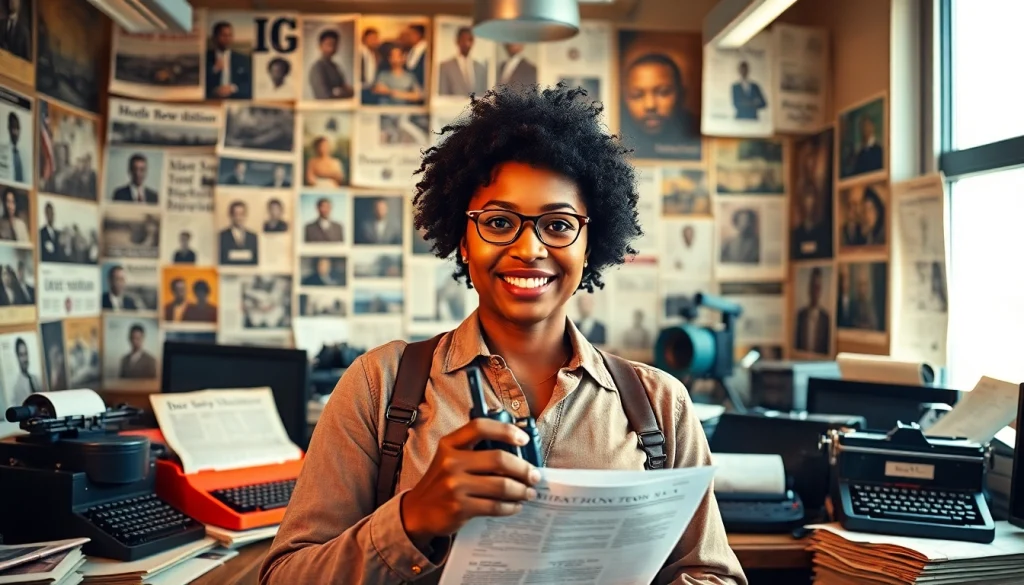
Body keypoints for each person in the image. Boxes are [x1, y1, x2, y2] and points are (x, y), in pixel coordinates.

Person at [259, 83, 745, 585]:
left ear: (589, 245)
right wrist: (412, 518)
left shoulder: (661, 405)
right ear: (463, 242)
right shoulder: (376, 386)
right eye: (498, 221)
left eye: (557, 225)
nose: (529, 248)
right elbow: (283, 576)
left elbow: (713, 576)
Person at [619, 53, 700, 160]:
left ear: (682, 94)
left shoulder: (698, 131)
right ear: (625, 99)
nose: (650, 105)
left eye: (663, 92)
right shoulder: (614, 138)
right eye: (637, 95)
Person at [206, 21, 252, 100]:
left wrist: (233, 88)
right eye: (223, 35)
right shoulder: (206, 58)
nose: (227, 38)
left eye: (230, 35)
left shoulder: (243, 59)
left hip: (236, 100)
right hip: (212, 101)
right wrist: (214, 70)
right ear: (215, 37)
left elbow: (249, 84)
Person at [438, 27, 487, 97]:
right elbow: (443, 95)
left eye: (470, 40)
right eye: (463, 40)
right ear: (457, 41)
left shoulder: (480, 68)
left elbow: (483, 96)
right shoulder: (445, 67)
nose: (467, 44)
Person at [309, 29, 353, 100]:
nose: (331, 48)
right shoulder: (318, 68)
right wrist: (341, 92)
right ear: (320, 46)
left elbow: (348, 90)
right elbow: (323, 96)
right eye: (328, 44)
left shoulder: (335, 66)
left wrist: (339, 91)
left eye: (334, 44)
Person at [794, 267, 830, 354]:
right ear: (809, 288)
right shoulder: (800, 316)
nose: (815, 291)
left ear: (820, 290)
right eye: (813, 286)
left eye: (817, 287)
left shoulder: (826, 319)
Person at [219, 200, 258, 265]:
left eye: (241, 214)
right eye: (236, 214)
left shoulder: (253, 237)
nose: (239, 218)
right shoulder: (222, 236)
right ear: (231, 215)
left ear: (245, 215)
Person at [9, 337, 41, 406]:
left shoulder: (35, 379)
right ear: (17, 357)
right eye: (21, 355)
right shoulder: (16, 386)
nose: (25, 359)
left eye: (26, 354)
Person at [2, 112, 25, 184]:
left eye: (17, 128)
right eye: (13, 128)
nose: (15, 132)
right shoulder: (2, 151)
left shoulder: (24, 153)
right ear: (9, 128)